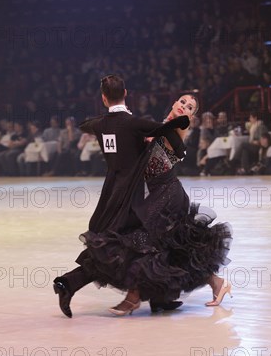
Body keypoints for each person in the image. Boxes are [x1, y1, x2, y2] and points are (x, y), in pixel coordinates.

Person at [78, 92, 231, 316]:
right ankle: (217, 283)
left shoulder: (179, 125)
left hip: (168, 196)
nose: (184, 107)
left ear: (191, 116)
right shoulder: (162, 125)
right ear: (174, 102)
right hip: (158, 194)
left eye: (190, 107)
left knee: (144, 245)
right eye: (183, 102)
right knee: (176, 251)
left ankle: (133, 297)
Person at [53, 75, 190, 317]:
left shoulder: (101, 124)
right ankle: (69, 282)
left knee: (123, 245)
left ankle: (160, 297)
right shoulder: (134, 123)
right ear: (126, 93)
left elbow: (85, 124)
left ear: (103, 98)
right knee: (125, 247)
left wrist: (103, 119)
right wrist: (179, 122)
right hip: (132, 196)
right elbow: (164, 133)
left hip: (110, 194)